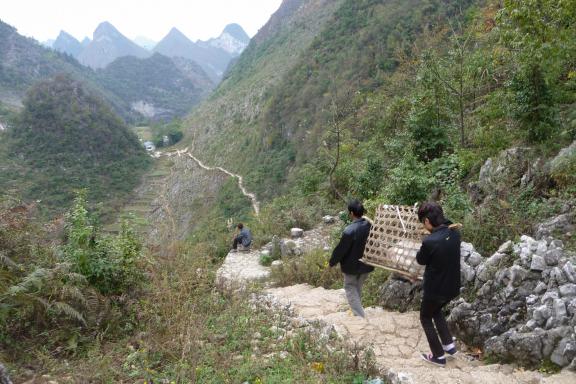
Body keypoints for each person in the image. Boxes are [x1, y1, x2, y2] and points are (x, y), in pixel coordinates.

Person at [416, 202, 461, 367]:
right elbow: (446, 224)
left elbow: (420, 259)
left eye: (423, 222)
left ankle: (438, 356)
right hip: (452, 287)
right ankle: (449, 345)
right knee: (436, 310)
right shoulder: (454, 232)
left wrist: (426, 238)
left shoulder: (430, 242)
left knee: (425, 317)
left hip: (435, 289)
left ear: (427, 221)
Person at [329, 199, 374, 318]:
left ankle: (360, 316)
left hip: (352, 267)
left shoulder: (349, 231)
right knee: (357, 287)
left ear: (352, 213)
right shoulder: (370, 225)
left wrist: (332, 262)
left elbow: (341, 250)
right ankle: (357, 311)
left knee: (349, 287)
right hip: (366, 265)